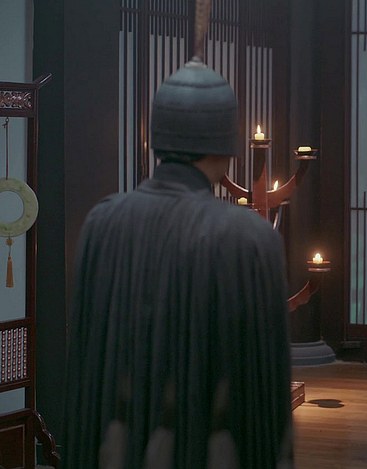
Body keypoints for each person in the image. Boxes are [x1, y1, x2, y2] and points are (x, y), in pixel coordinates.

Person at [63, 56, 294, 468]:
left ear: (156, 139)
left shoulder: (103, 221)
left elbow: (86, 369)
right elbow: (264, 392)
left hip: (116, 449)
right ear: (226, 145)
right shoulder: (249, 238)